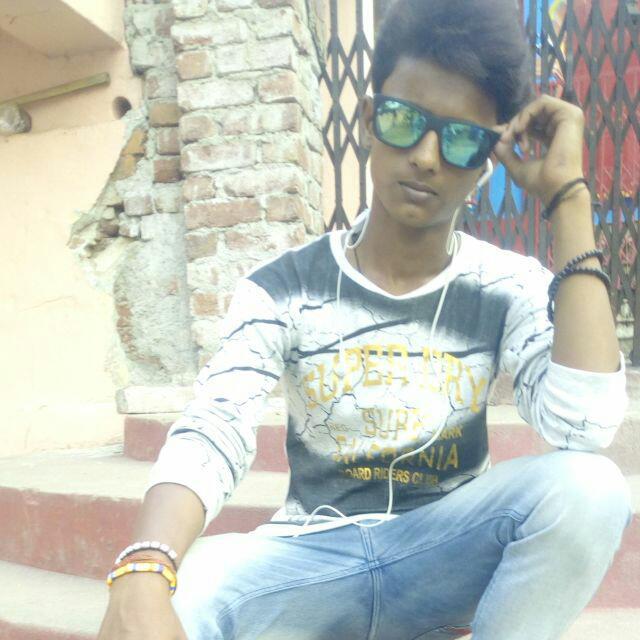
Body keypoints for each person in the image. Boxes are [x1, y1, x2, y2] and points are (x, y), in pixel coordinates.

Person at [97, 0, 634, 638]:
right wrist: (145, 564)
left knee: (591, 487)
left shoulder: (504, 286)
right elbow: (215, 429)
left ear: (489, 158)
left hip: (439, 559)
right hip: (308, 560)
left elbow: (584, 424)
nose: (428, 157)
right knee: (177, 592)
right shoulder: (283, 287)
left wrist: (568, 196)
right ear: (369, 119)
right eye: (404, 120)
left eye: (462, 138)